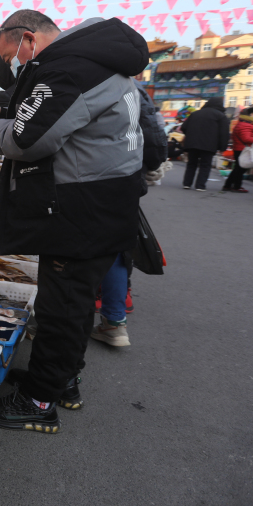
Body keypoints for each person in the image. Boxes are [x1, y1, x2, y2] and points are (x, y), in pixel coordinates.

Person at [0, 10, 148, 434]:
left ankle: (39, 401)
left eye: (13, 56)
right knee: (75, 302)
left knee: (61, 306)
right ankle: (60, 380)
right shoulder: (96, 63)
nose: (17, 67)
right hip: (104, 205)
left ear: (28, 39)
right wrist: (6, 107)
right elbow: (60, 116)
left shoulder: (68, 69)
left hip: (80, 212)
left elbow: (24, 140)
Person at [90, 80, 169, 351]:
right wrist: (153, 165)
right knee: (117, 247)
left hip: (87, 178)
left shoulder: (83, 78)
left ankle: (60, 321)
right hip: (127, 178)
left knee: (77, 245)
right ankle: (114, 322)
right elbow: (154, 133)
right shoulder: (134, 88)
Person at [179, 97, 229, 191]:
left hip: (192, 143)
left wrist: (191, 136)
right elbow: (224, 133)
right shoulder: (221, 116)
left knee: (191, 164)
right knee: (205, 165)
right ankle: (200, 186)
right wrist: (222, 147)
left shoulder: (195, 114)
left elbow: (184, 127)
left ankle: (187, 184)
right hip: (209, 145)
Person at [223, 108, 253, 193]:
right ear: (250, 115)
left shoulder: (242, 124)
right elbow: (247, 139)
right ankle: (235, 186)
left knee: (239, 168)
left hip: (240, 148)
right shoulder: (245, 125)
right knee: (241, 169)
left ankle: (229, 185)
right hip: (243, 149)